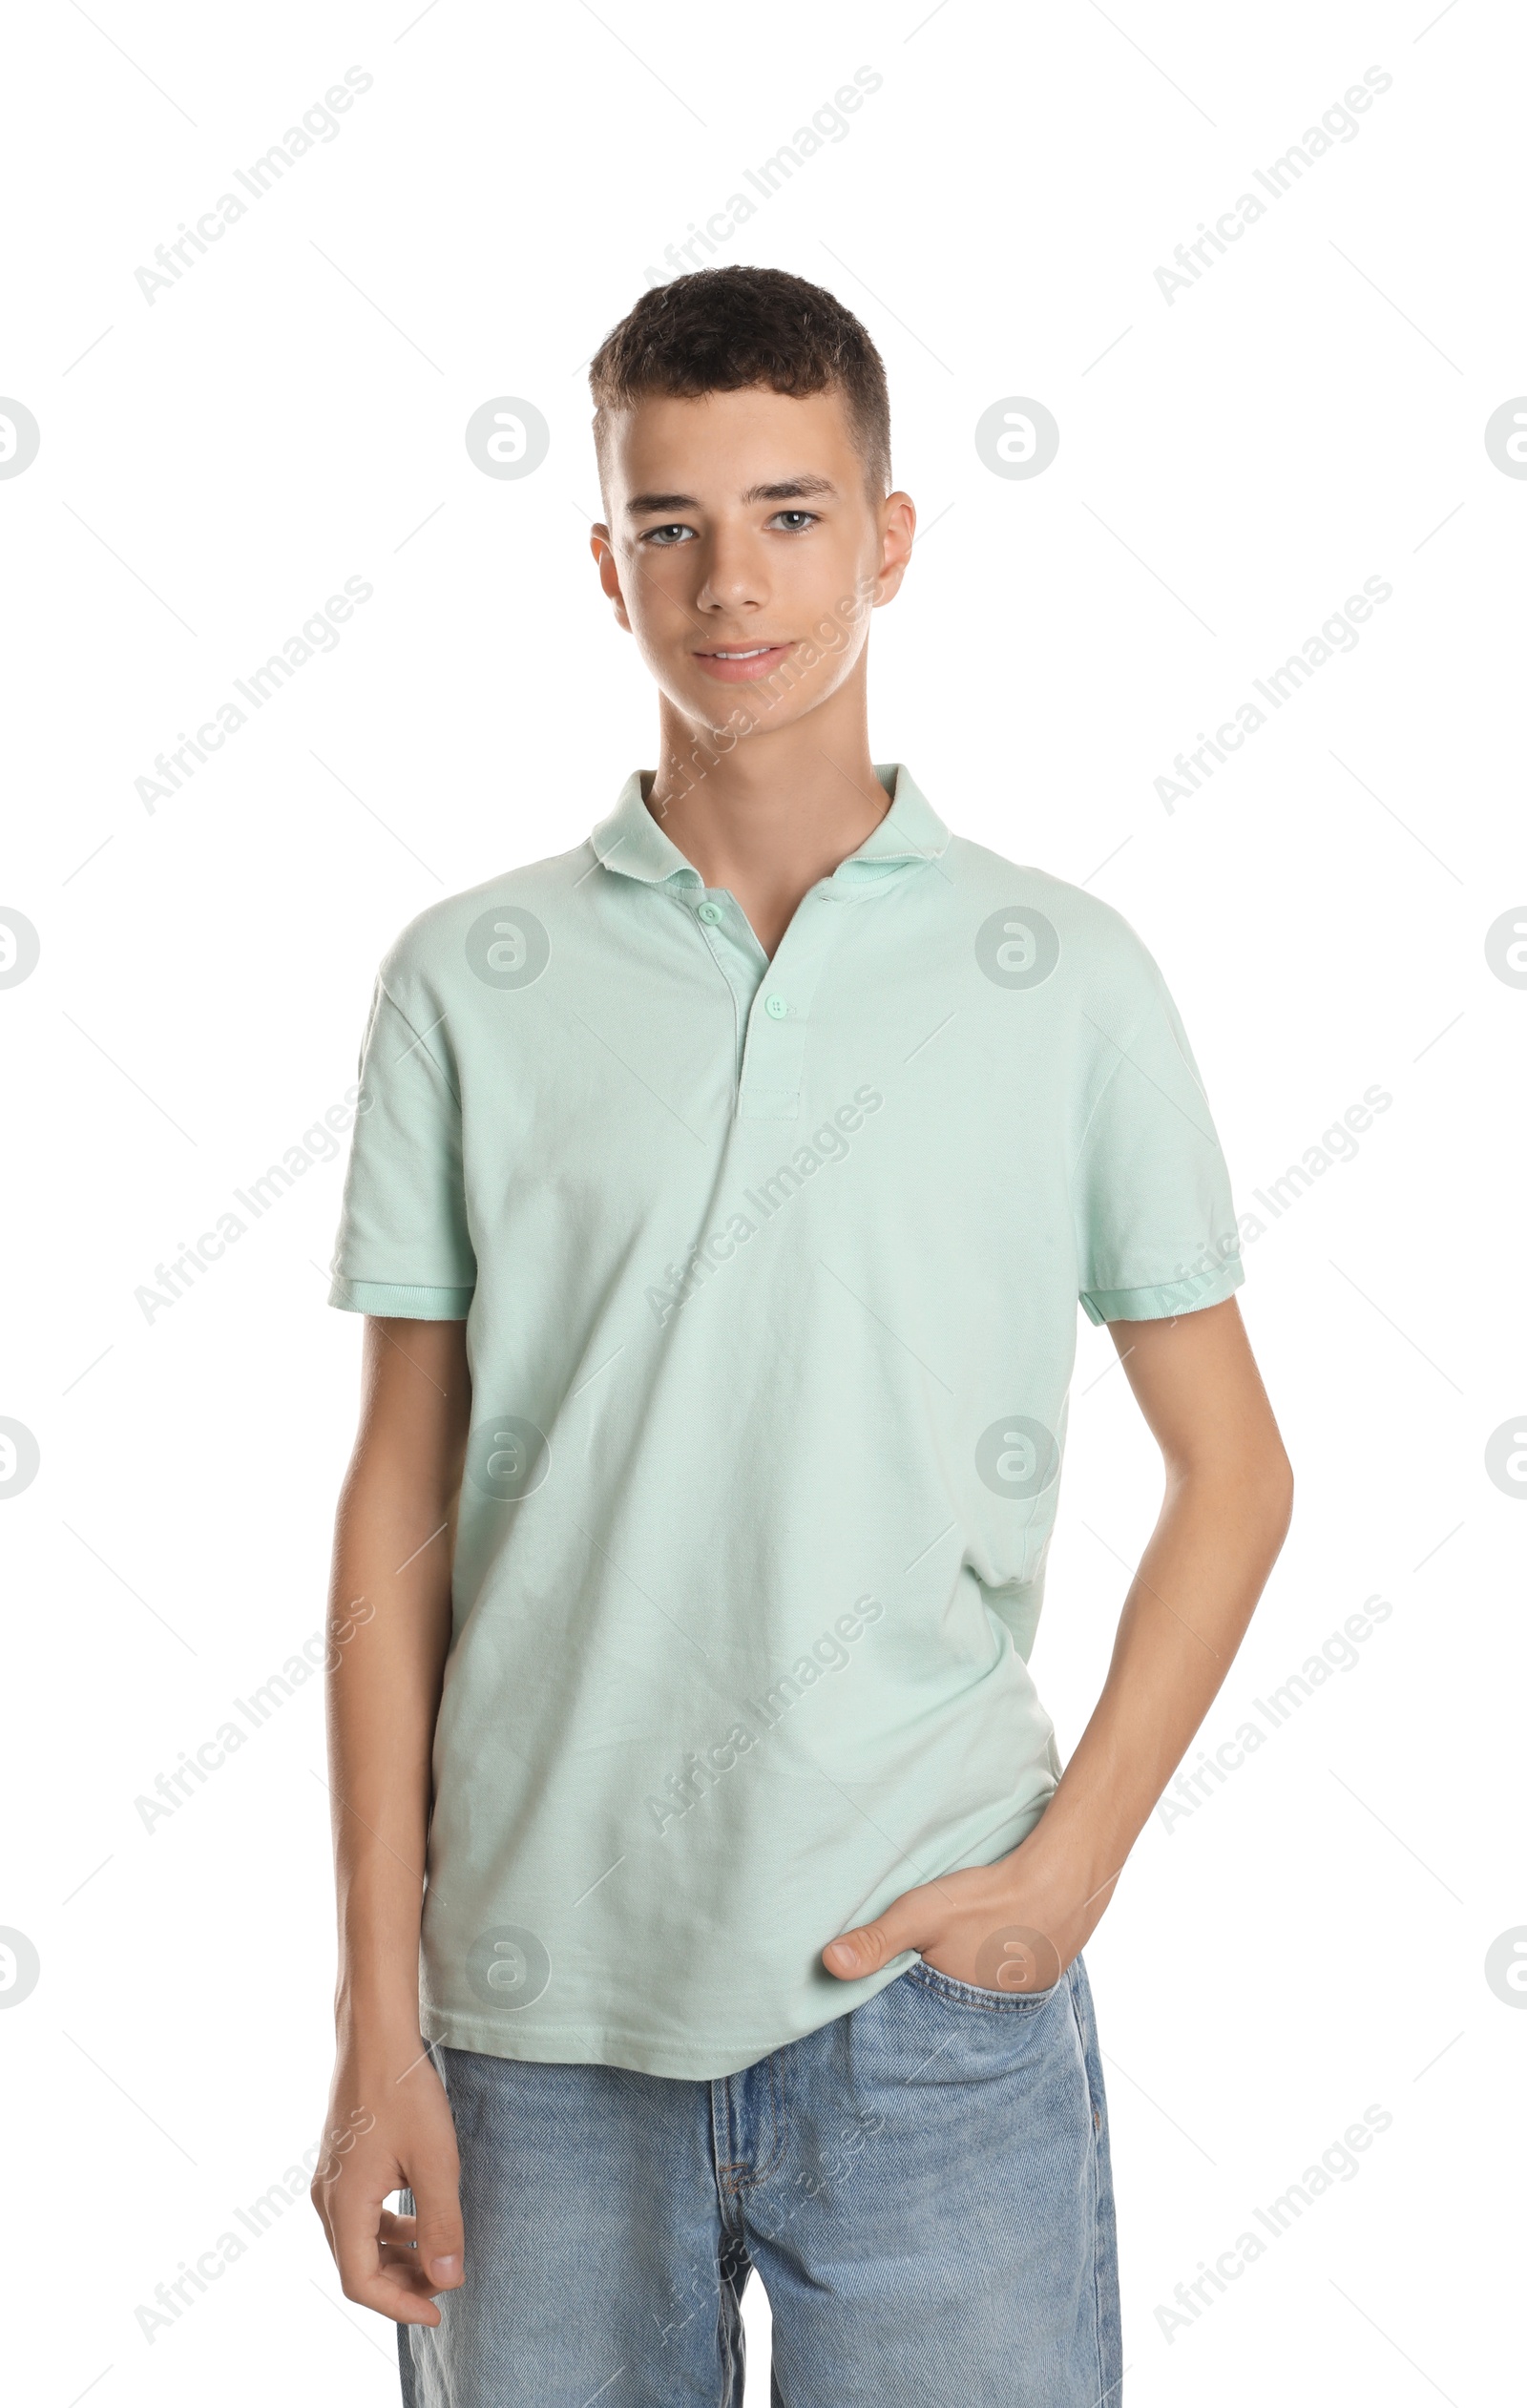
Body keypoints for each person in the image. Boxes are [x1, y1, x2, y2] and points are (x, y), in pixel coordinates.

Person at [311, 264, 1293, 2406]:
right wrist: (373, 2022)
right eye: (668, 524)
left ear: (889, 536)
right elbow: (398, 1492)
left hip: (926, 2004)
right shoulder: (467, 978)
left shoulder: (1065, 976)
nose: (725, 580)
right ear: (603, 564)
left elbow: (1233, 1465)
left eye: (784, 511)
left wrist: (1068, 1864)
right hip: (530, 2024)